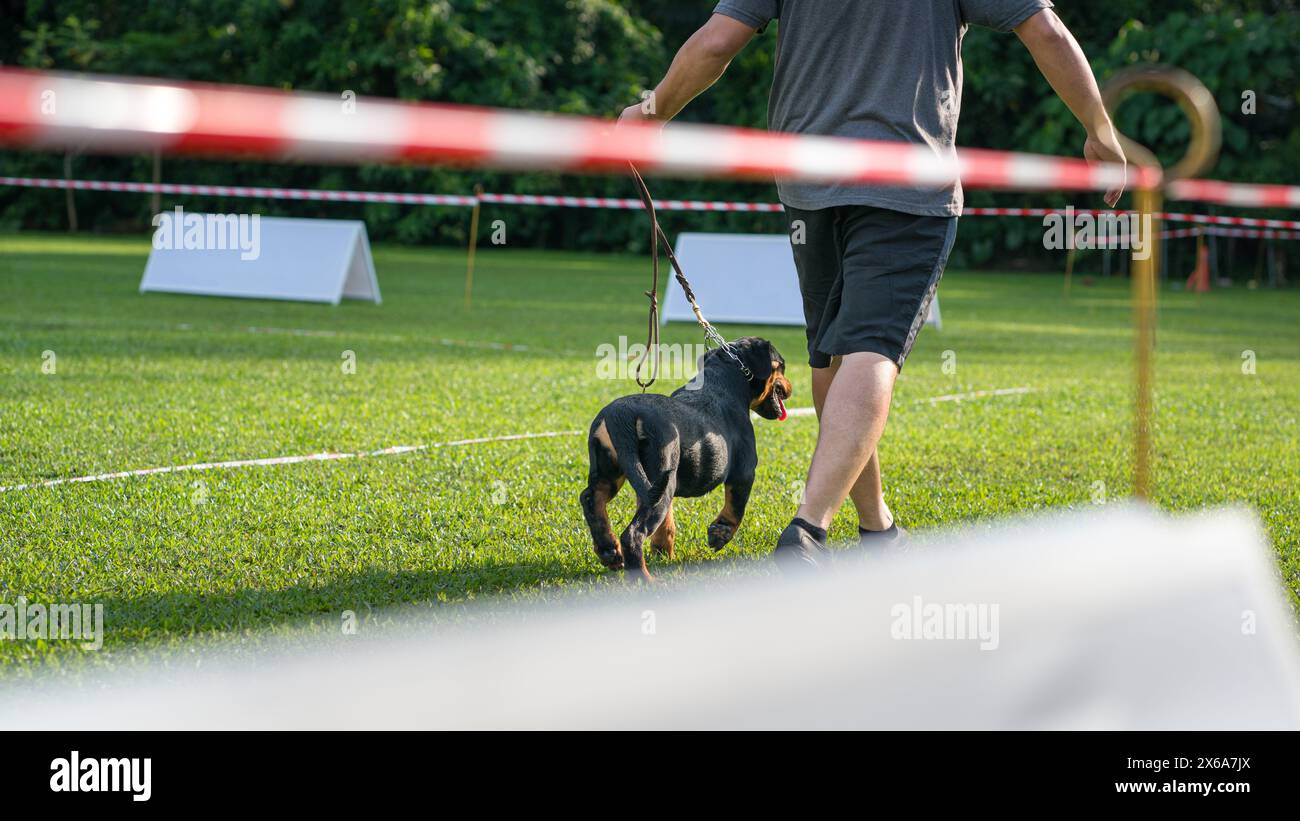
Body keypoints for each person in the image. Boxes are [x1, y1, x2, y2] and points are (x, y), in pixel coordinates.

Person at [619, 1, 1126, 568]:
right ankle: (809, 528)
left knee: (832, 359)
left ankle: (876, 526)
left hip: (809, 184)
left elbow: (717, 42)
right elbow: (1046, 31)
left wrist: (652, 110)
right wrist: (1100, 130)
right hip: (907, 185)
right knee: (870, 351)